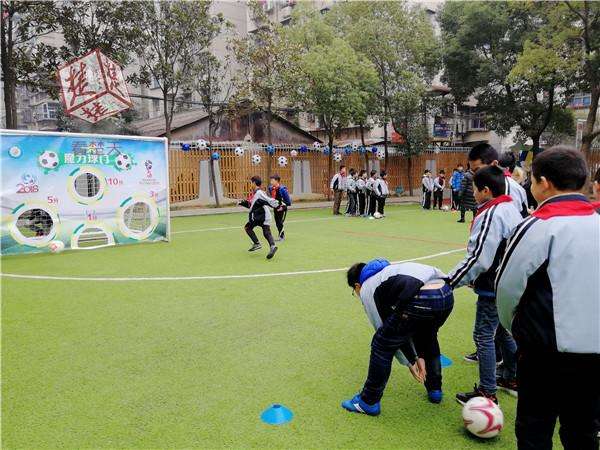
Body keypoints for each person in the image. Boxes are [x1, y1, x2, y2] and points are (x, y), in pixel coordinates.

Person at [495, 147, 600, 450]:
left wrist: (515, 326)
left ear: (543, 182)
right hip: (594, 354)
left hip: (545, 351)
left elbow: (507, 288)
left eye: (531, 179)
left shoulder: (538, 226)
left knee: (535, 431)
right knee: (582, 431)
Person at [447, 166, 522, 405]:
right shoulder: (510, 208)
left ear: (486, 190)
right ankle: (512, 377)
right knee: (502, 331)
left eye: (474, 189)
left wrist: (450, 282)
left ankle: (487, 392)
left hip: (494, 287)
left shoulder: (492, 214)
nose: (473, 193)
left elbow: (479, 257)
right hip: (508, 284)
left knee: (483, 335)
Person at [341, 259, 454, 415]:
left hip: (422, 297)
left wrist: (409, 361)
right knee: (427, 335)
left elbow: (385, 330)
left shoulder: (367, 287)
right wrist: (415, 356)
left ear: (357, 286)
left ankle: (368, 402)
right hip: (446, 294)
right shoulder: (391, 272)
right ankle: (435, 389)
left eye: (355, 292)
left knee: (381, 343)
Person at [239, 175, 280, 259]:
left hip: (262, 215)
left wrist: (276, 203)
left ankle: (262, 245)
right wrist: (242, 203)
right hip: (260, 215)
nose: (250, 184)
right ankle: (267, 245)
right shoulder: (256, 193)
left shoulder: (259, 193)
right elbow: (252, 204)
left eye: (251, 182)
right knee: (262, 231)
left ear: (254, 183)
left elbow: (267, 200)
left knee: (252, 229)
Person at [497, 151, 528, 217]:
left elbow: (522, 176)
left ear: (506, 169)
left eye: (497, 166)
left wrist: (517, 182)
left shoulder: (506, 184)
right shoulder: (520, 190)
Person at [268, 174, 291, 241]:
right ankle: (280, 235)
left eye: (272, 180)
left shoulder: (282, 190)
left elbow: (288, 202)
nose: (271, 182)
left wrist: (283, 207)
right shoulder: (270, 188)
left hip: (282, 207)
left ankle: (282, 236)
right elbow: (273, 198)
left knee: (279, 222)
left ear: (277, 181)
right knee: (277, 222)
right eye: (271, 180)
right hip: (276, 207)